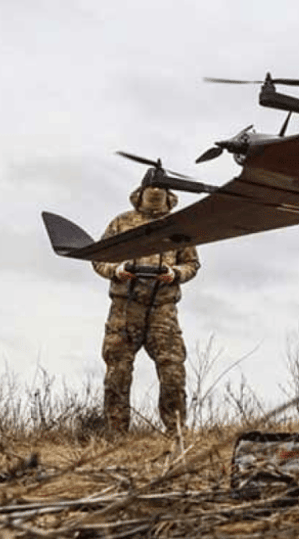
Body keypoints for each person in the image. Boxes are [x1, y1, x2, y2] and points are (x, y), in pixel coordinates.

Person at [92, 174, 200, 436]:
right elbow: (97, 258)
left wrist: (174, 274)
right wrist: (117, 271)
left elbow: (192, 264)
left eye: (159, 191)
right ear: (140, 193)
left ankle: (176, 432)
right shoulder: (121, 223)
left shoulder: (178, 225)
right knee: (118, 371)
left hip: (163, 309)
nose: (154, 195)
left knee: (173, 369)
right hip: (125, 309)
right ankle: (116, 435)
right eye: (149, 190)